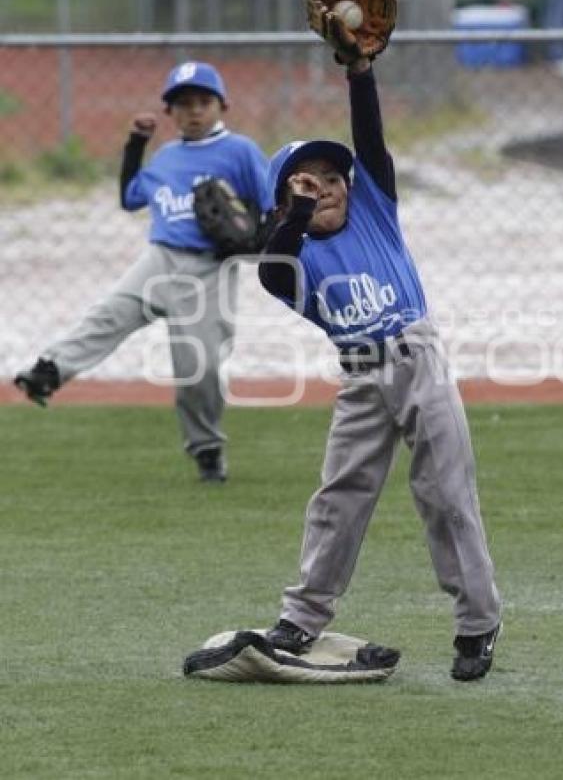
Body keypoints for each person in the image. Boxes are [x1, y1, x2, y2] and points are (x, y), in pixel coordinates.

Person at [257, 49, 502, 681]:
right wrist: (298, 213)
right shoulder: (293, 262)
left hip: (418, 358)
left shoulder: (375, 212)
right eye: (305, 182)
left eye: (332, 178)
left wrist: (360, 74)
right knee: (339, 498)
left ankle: (477, 623)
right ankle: (303, 618)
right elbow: (272, 262)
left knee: (445, 492)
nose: (326, 186)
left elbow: (370, 139)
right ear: (284, 203)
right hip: (361, 378)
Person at [13, 61, 272, 483]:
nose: (194, 111)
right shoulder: (167, 156)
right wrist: (136, 143)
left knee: (200, 368)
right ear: (169, 113)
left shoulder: (240, 151)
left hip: (208, 270)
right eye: (183, 104)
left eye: (203, 102)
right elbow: (130, 197)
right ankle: (51, 370)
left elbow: (269, 205)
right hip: (159, 259)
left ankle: (207, 449)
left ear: (222, 105)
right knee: (109, 314)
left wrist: (256, 238)